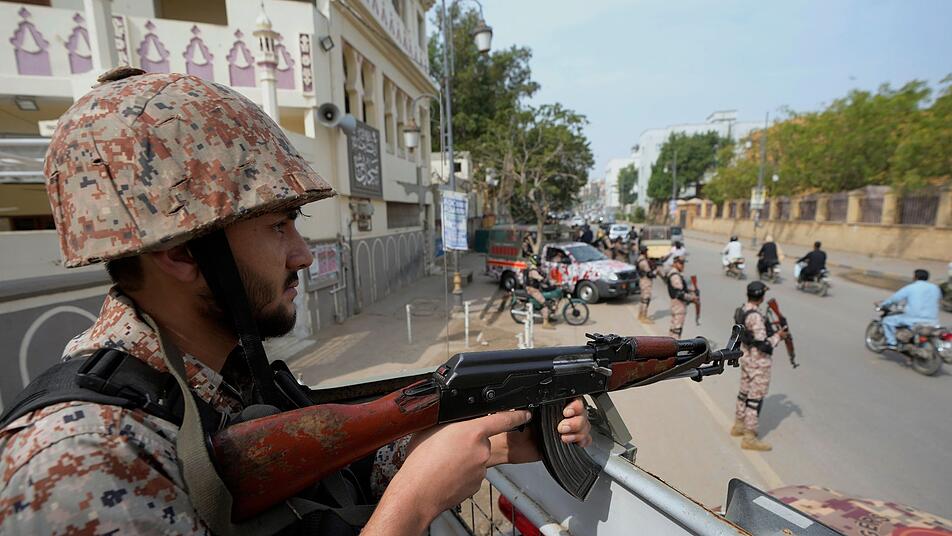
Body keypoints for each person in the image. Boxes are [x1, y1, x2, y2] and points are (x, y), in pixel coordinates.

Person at [0, 69, 591, 535]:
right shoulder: (80, 463)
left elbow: (316, 485)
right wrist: (413, 505)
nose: (304, 254)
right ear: (182, 253)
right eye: (278, 226)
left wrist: (473, 443)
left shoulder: (221, 380)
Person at [730, 281, 788, 451]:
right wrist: (779, 336)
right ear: (761, 296)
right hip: (758, 362)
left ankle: (738, 425)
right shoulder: (755, 316)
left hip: (746, 358)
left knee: (743, 394)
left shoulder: (743, 309)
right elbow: (763, 344)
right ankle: (749, 437)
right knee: (755, 400)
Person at [878, 269, 942, 350]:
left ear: (915, 277)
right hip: (932, 320)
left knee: (887, 321)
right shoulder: (935, 288)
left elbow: (895, 298)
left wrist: (883, 304)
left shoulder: (911, 287)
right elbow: (938, 299)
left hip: (913, 319)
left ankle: (892, 343)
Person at [665, 256, 697, 338]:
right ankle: (675, 344)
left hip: (676, 303)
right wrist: (692, 298)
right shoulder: (675, 275)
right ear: (675, 263)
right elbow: (680, 294)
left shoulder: (675, 273)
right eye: (680, 263)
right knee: (677, 329)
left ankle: (669, 343)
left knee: (673, 327)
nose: (683, 266)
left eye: (683, 263)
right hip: (678, 304)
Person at [524, 254, 556, 330]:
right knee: (545, 303)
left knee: (550, 299)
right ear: (535, 261)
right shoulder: (532, 271)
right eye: (538, 260)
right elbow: (540, 278)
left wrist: (550, 279)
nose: (539, 262)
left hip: (537, 288)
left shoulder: (536, 268)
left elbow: (543, 274)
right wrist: (548, 282)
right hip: (532, 290)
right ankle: (545, 323)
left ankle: (548, 316)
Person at [636, 245, 657, 324]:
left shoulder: (639, 259)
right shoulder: (643, 262)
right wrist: (655, 272)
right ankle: (643, 317)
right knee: (646, 299)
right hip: (646, 281)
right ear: (644, 252)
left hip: (642, 280)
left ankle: (640, 315)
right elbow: (649, 274)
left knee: (643, 299)